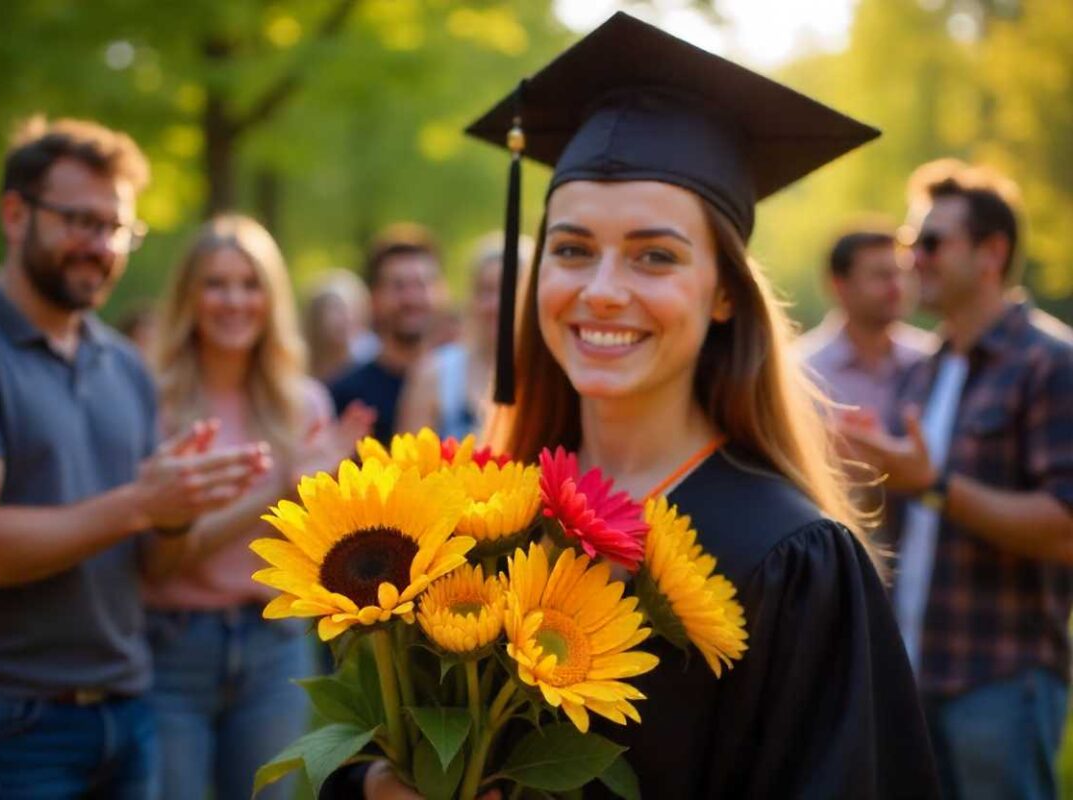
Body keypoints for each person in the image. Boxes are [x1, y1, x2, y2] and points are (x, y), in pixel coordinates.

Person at [407, 13, 934, 799]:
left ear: (723, 291)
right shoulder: (475, 515)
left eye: (655, 256)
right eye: (572, 248)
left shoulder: (791, 559)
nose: (602, 291)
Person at [0, 117, 268, 798]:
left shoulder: (124, 366)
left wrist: (178, 510)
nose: (100, 247)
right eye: (81, 222)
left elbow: (151, 561)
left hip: (127, 713)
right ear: (15, 215)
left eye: (117, 230)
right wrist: (140, 504)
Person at [840, 159, 1073, 799]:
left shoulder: (1051, 365)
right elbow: (903, 513)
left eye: (933, 242)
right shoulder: (923, 371)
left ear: (992, 253)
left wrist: (933, 485)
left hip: (1001, 683)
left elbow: (1066, 531)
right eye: (912, 242)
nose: (915, 257)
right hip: (912, 678)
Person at [144, 214, 373, 800]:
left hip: (275, 648)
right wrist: (276, 493)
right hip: (174, 647)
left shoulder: (303, 404)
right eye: (216, 284)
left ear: (271, 300)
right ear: (188, 297)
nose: (234, 301)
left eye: (250, 285)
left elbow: (320, 549)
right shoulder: (156, 403)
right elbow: (158, 561)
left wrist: (336, 492)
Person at [796, 225, 936, 427]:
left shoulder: (929, 358)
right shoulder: (803, 372)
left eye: (901, 274)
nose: (897, 287)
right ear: (839, 286)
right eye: (881, 276)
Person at [397, 233, 533, 439]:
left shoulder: (556, 375)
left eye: (511, 290)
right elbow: (408, 465)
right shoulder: (433, 375)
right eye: (487, 291)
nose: (498, 305)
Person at [329, 223, 444, 445]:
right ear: (375, 297)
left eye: (421, 285)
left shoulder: (462, 384)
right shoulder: (346, 396)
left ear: (440, 292)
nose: (411, 298)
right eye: (398, 286)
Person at [304, 268, 379, 382]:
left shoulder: (373, 357)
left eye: (352, 309)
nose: (346, 318)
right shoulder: (300, 361)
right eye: (335, 309)